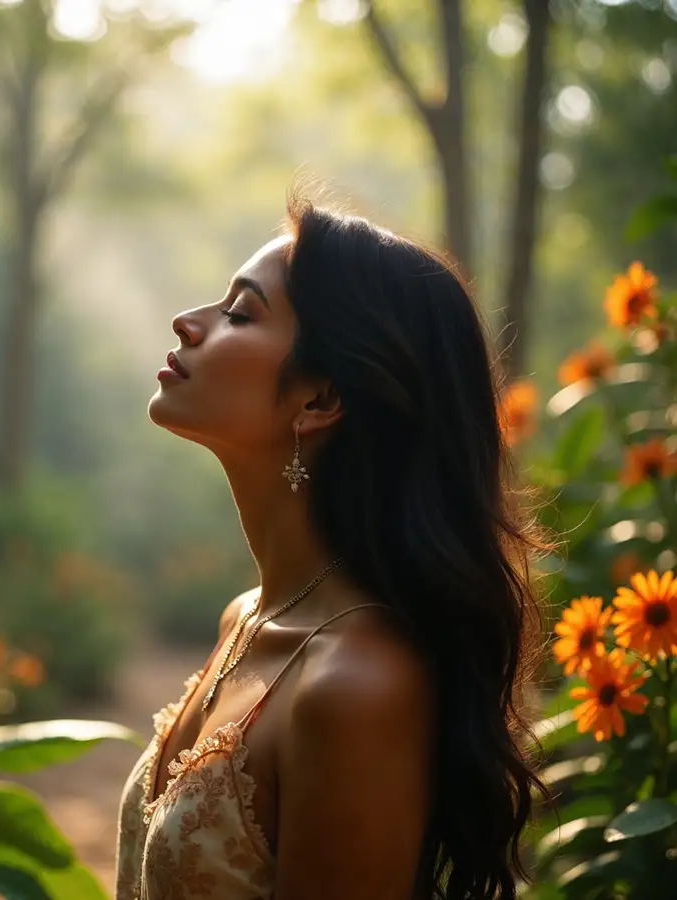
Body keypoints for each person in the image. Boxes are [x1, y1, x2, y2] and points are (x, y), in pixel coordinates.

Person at [115, 192, 546, 900]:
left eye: (239, 313)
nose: (186, 324)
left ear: (319, 400)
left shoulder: (355, 684)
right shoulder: (245, 618)